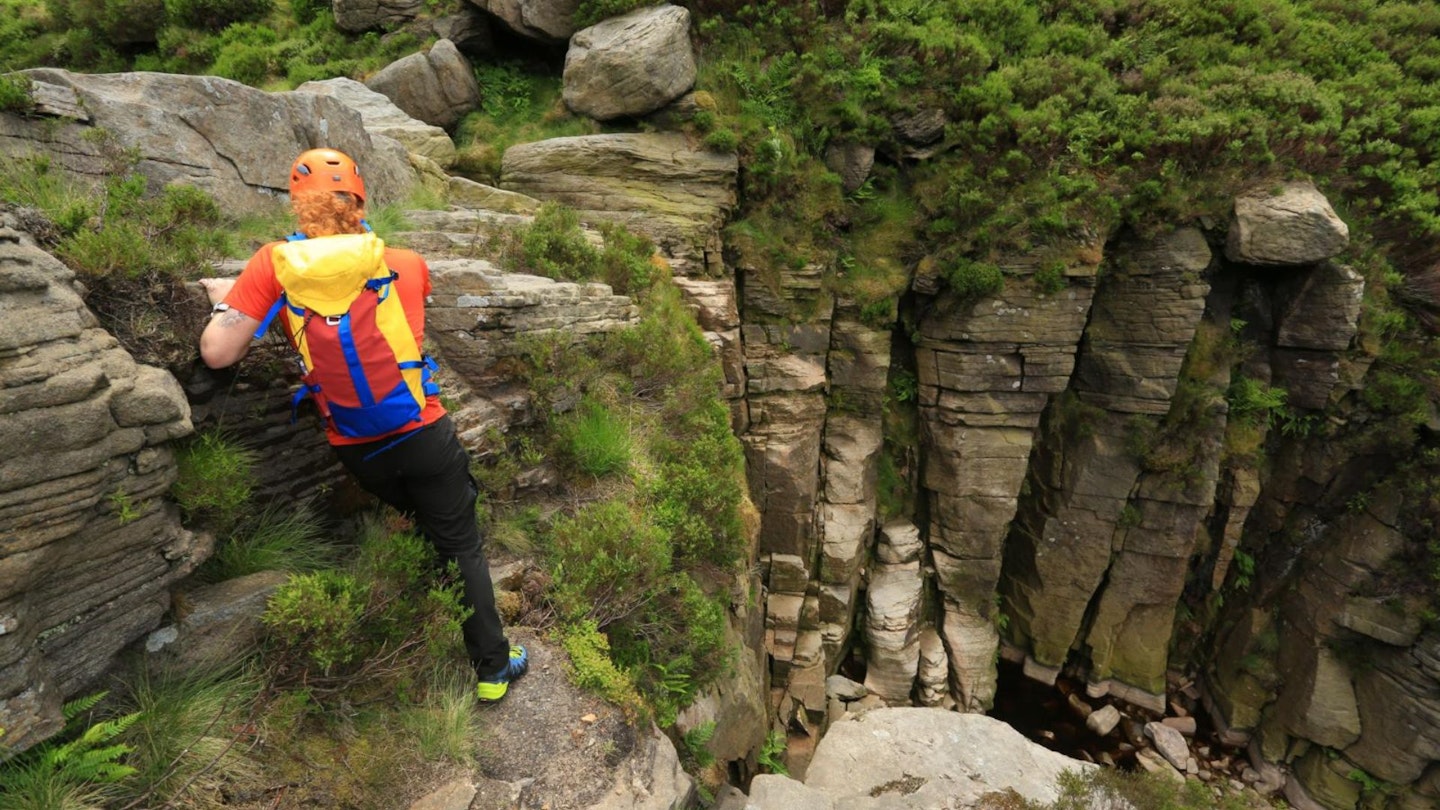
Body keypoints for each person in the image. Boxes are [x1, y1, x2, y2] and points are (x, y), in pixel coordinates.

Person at [198, 147, 527, 702]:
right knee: (460, 542)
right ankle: (493, 672)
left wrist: (225, 302)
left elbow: (218, 353)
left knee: (423, 524)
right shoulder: (405, 262)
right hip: (424, 433)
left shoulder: (272, 265)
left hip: (355, 444)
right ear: (359, 201)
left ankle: (429, 593)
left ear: (298, 207)